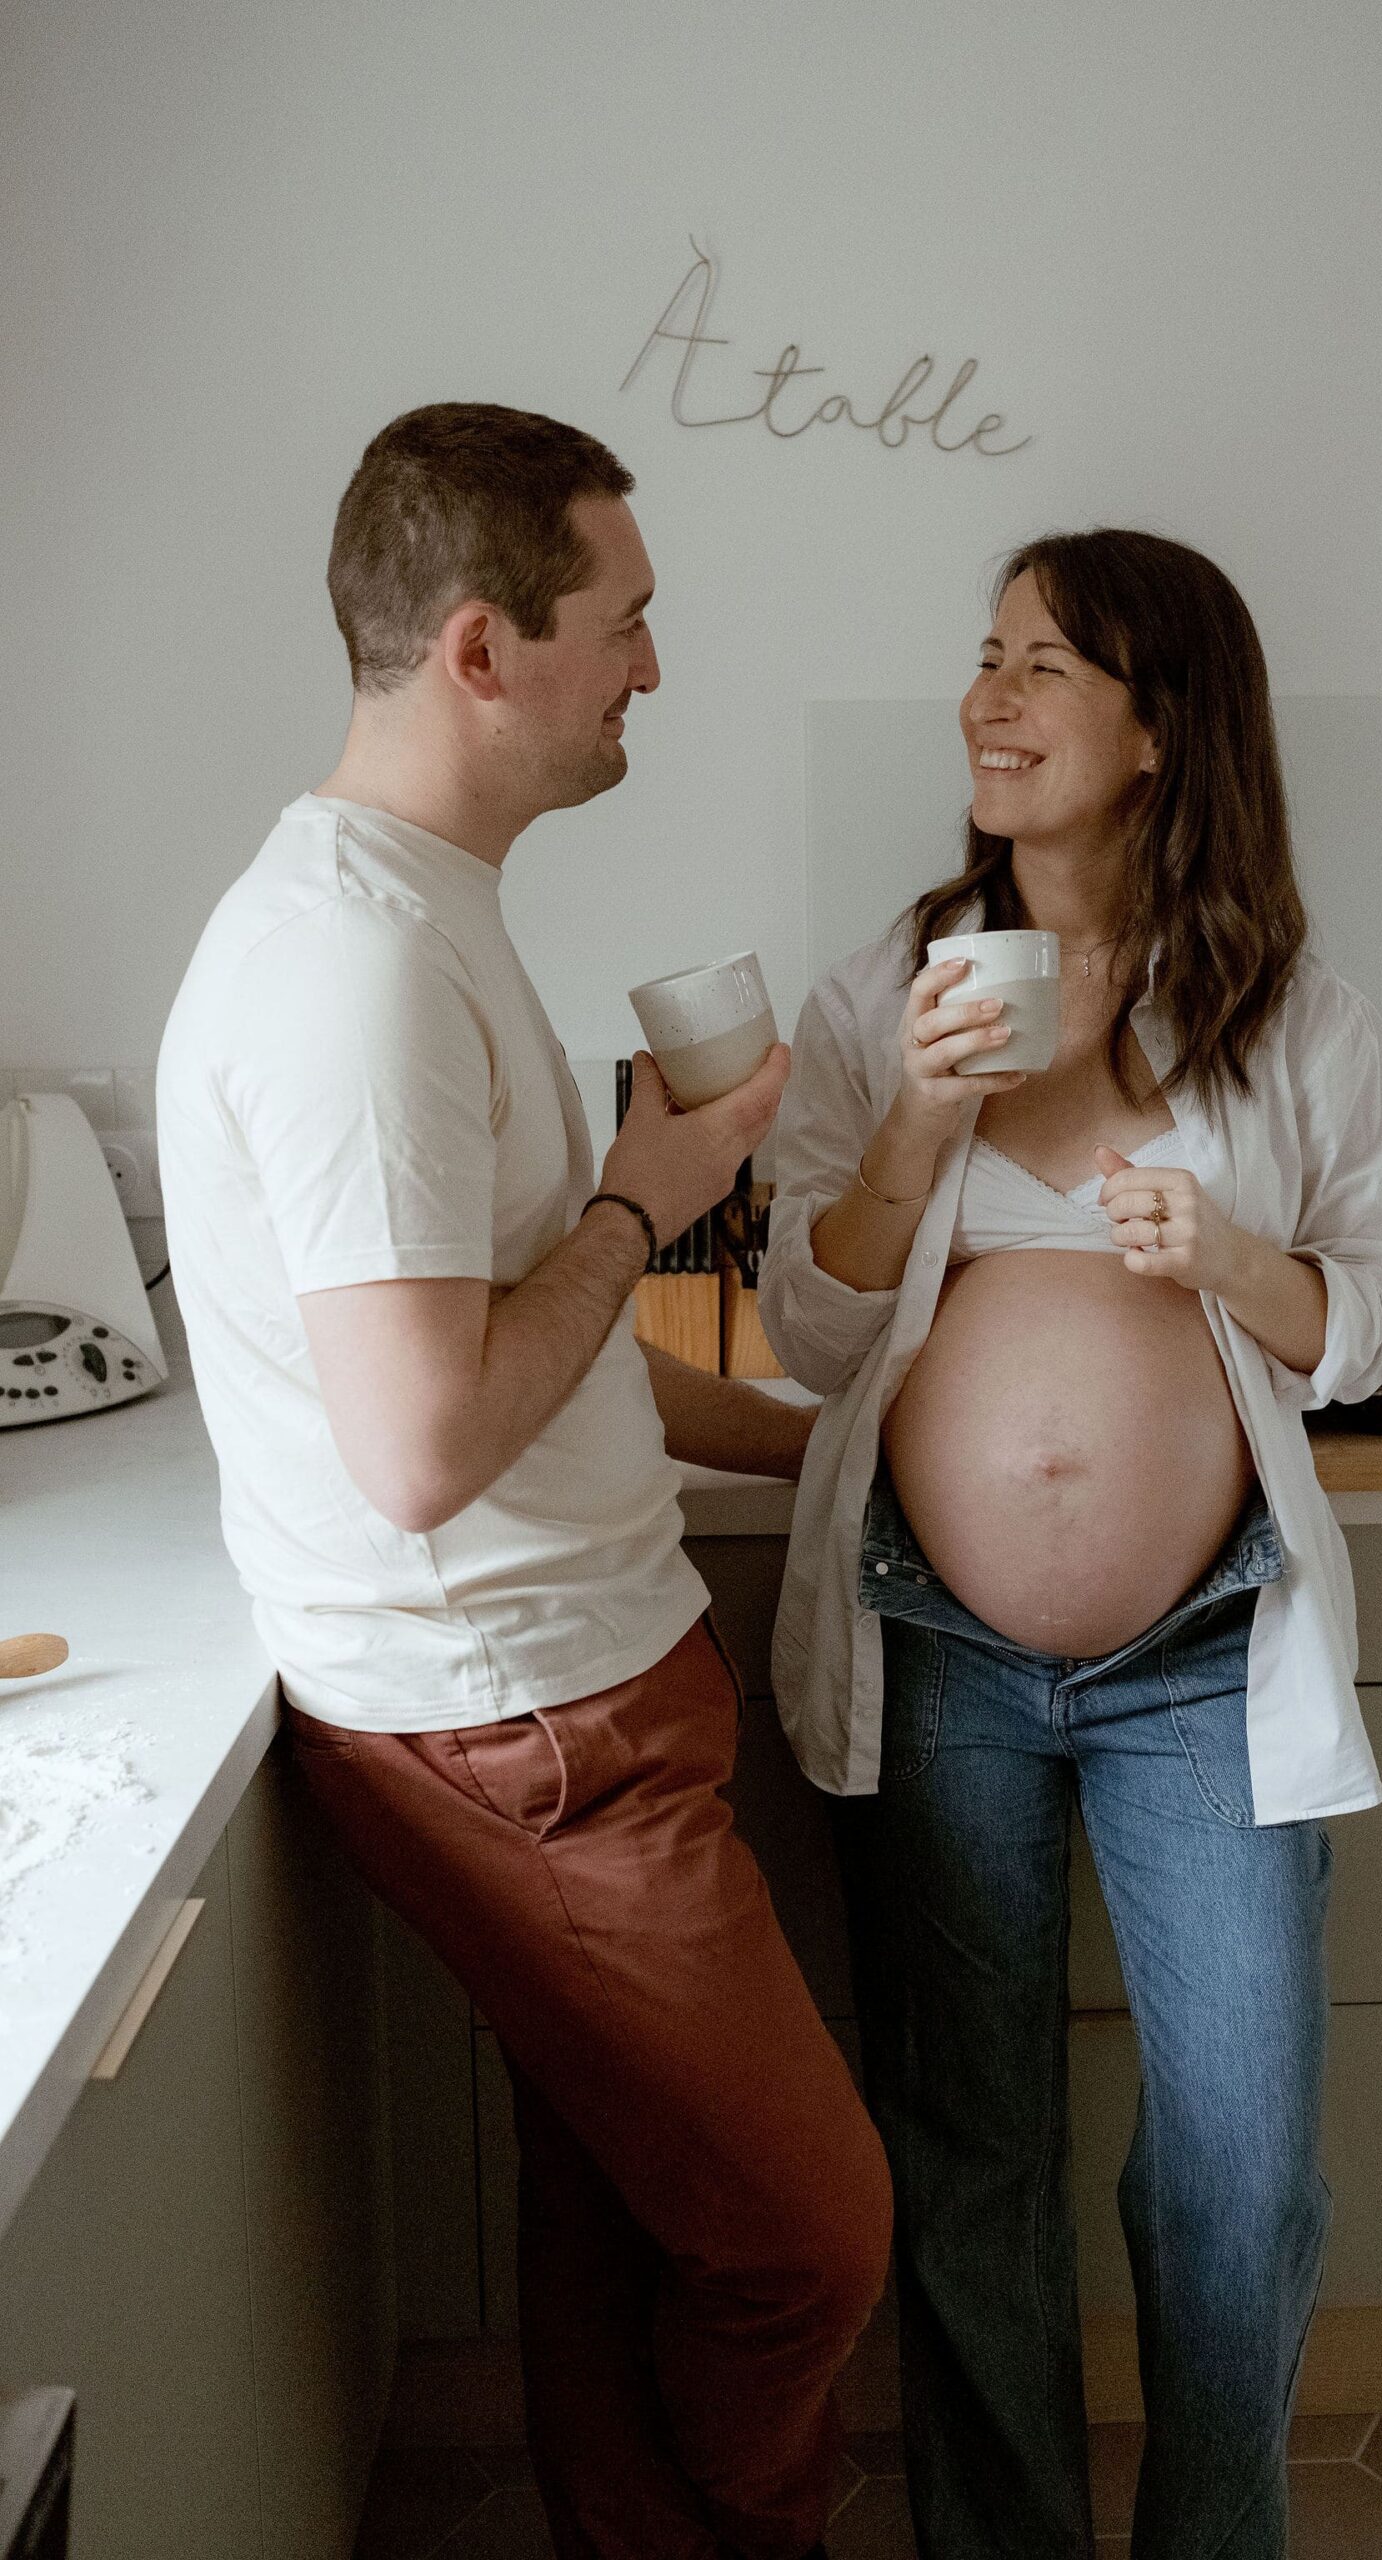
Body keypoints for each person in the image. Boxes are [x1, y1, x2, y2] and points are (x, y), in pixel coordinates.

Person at [156, 401, 890, 2560]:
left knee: (624, 2210)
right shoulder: (357, 966)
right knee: (803, 2237)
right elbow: (424, 1443)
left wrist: (830, 1433)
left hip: (562, 1689)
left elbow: (520, 1363)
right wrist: (653, 1197)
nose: (654, 668)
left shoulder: (413, 907)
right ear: (483, 647)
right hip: (523, 1720)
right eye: (629, 622)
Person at [758, 529, 1382, 2559]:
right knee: (967, 2147)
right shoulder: (884, 992)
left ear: (1159, 725)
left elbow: (1372, 1308)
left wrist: (1233, 1256)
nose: (987, 695)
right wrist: (912, 1129)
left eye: (1040, 664)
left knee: (1236, 2158)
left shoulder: (1288, 1010)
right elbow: (807, 1321)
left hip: (1200, 1656)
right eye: (984, 656)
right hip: (936, 1645)